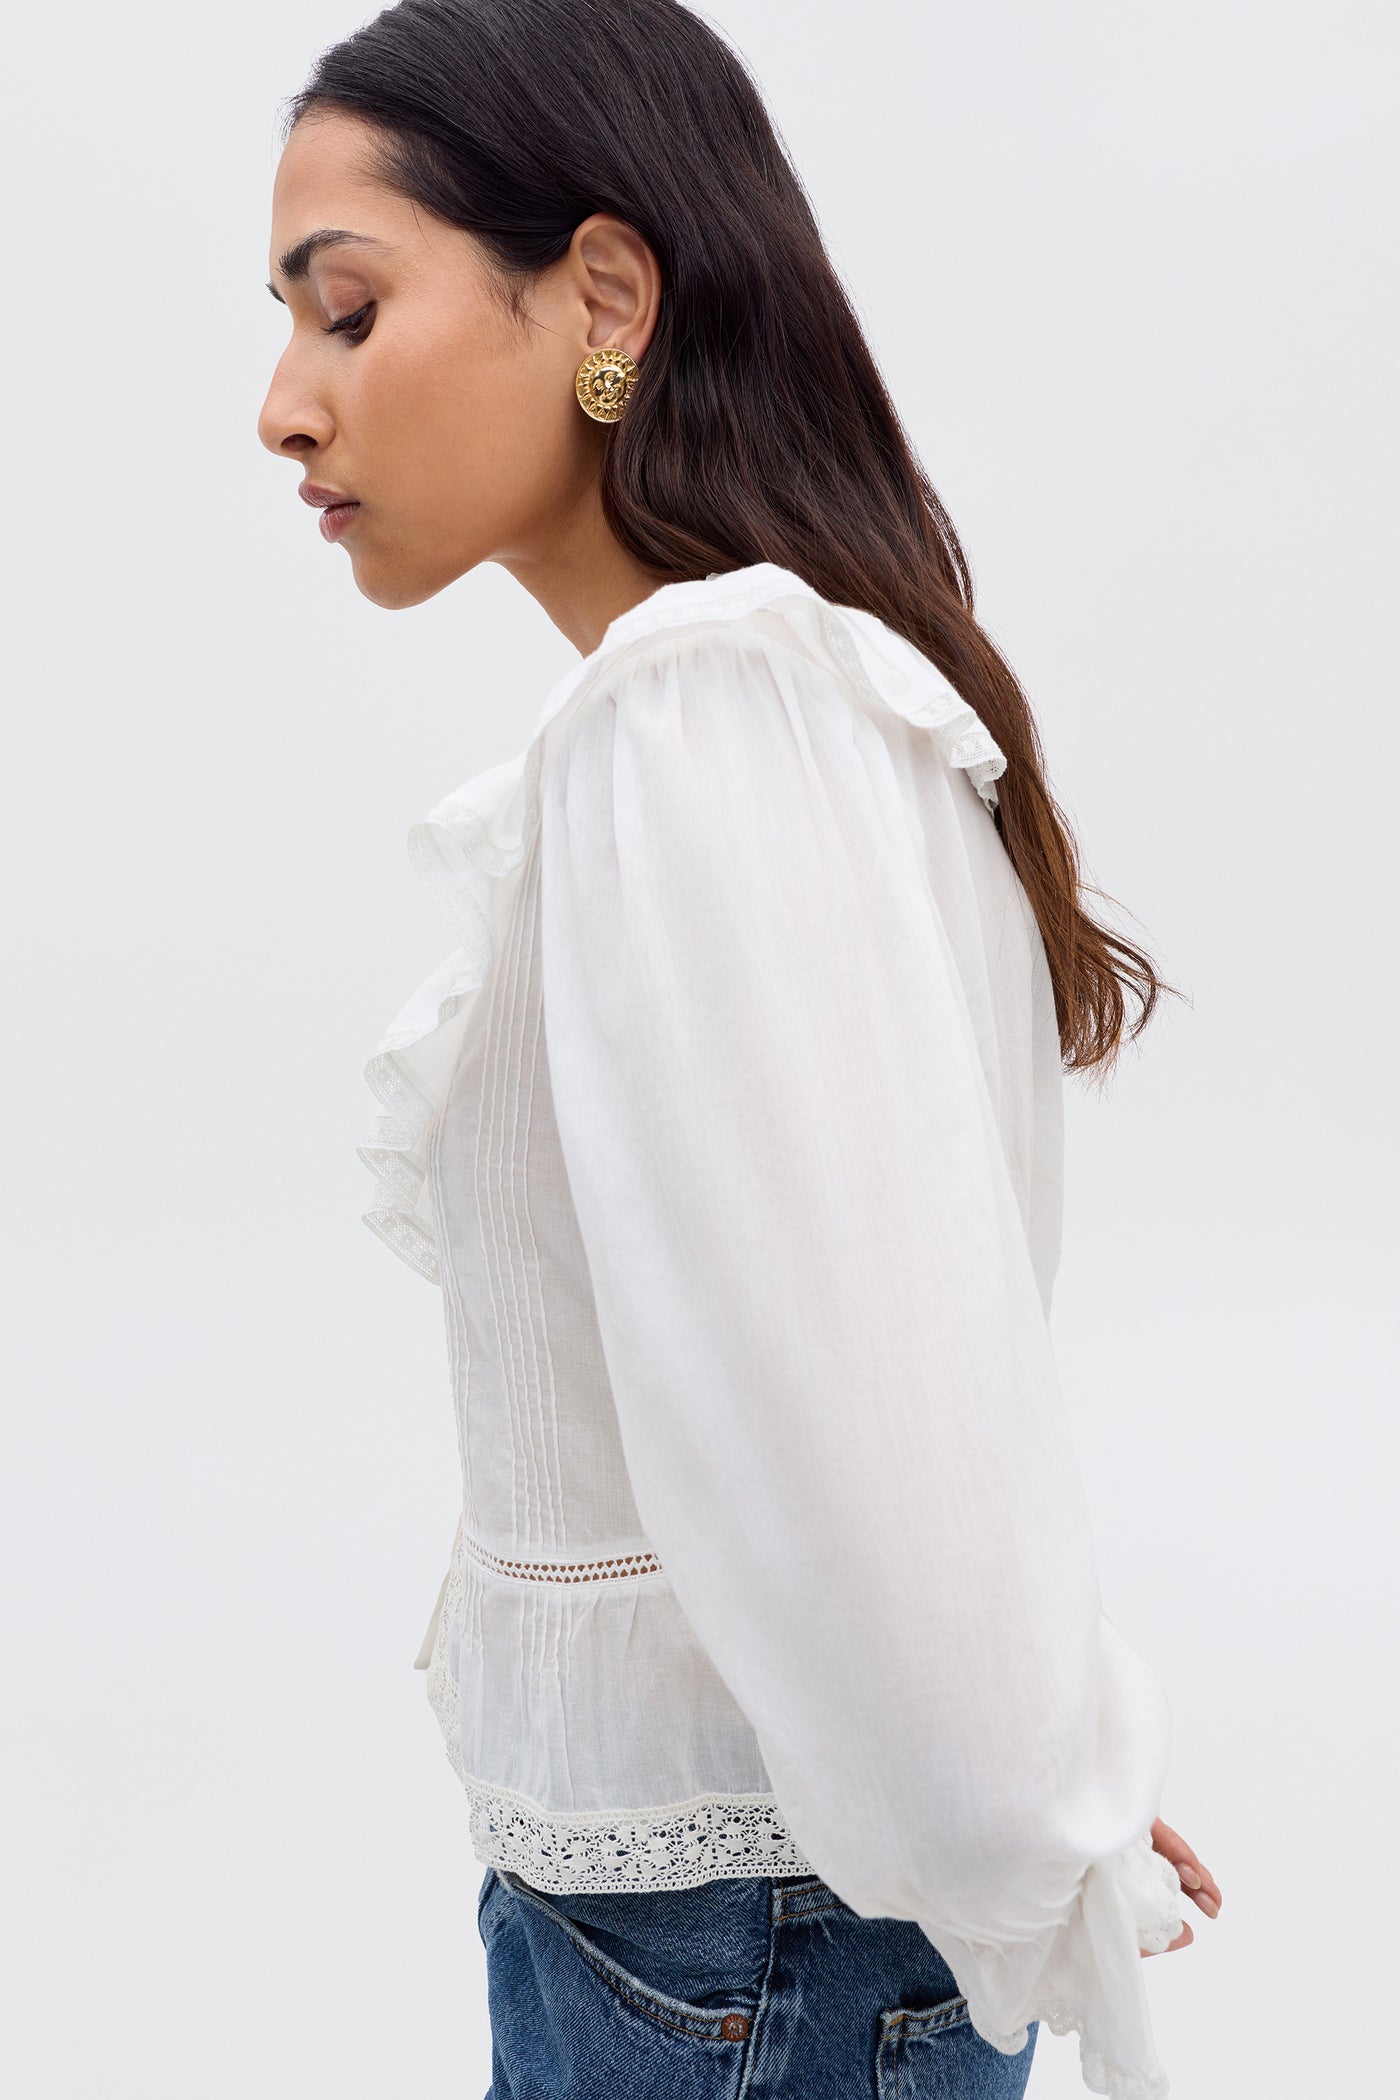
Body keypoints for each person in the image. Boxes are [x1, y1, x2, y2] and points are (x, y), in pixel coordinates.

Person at [257, 3, 1223, 2094]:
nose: (281, 405)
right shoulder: (783, 703)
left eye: (345, 309)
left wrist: (1005, 1811)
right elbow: (887, 1354)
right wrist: (1013, 1783)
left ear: (604, 295)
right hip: (755, 1934)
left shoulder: (698, 717)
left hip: (734, 1965)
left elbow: (848, 1398)